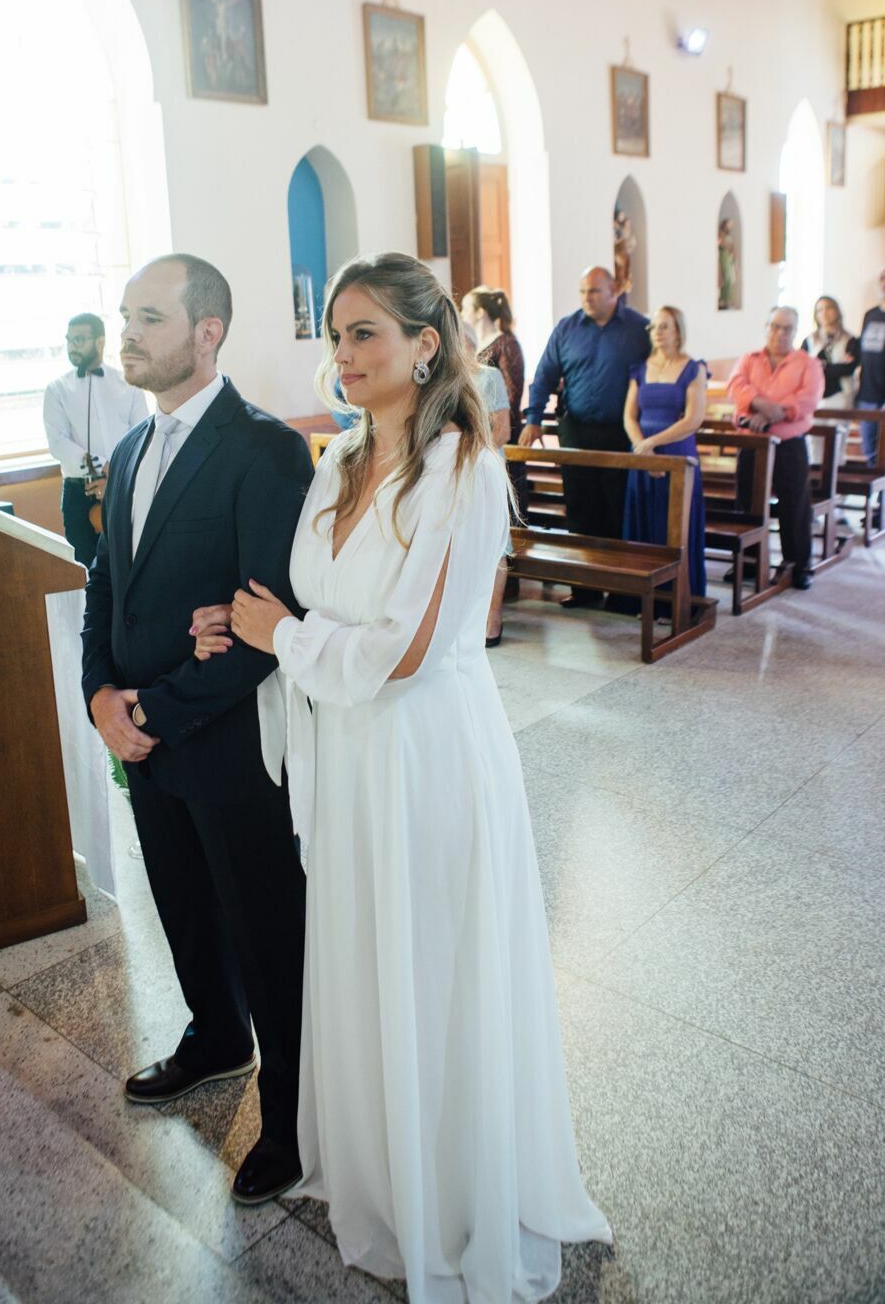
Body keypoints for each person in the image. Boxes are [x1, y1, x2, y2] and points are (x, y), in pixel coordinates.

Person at [196, 253, 611, 1300]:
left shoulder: (463, 469)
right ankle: (380, 1177)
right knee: (366, 954)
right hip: (345, 750)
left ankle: (452, 1193)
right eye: (333, 335)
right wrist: (244, 625)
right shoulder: (335, 459)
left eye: (364, 332)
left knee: (430, 964)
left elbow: (409, 649)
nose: (341, 354)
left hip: (424, 750)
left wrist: (282, 634)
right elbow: (305, 605)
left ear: (426, 345)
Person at [80, 253, 314, 1206]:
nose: (126, 332)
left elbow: (264, 620)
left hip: (222, 742)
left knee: (264, 932)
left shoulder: (263, 450)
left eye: (147, 317)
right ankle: (215, 1038)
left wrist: (155, 716)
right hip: (142, 736)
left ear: (206, 332)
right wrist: (100, 695)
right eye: (125, 314)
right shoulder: (134, 447)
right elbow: (106, 582)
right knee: (180, 904)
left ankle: (294, 1116)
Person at [521, 267, 651, 607]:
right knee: (580, 509)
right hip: (576, 429)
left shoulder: (638, 328)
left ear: (614, 291)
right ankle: (586, 588)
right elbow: (544, 374)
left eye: (593, 291)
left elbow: (657, 373)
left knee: (616, 510)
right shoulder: (567, 328)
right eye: (582, 292)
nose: (586, 299)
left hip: (620, 433)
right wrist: (533, 419)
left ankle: (623, 592)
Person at [727, 306, 825, 591]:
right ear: (767, 326)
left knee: (794, 506)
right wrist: (759, 403)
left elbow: (807, 400)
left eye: (788, 328)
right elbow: (736, 386)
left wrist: (771, 413)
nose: (780, 333)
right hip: (752, 443)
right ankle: (747, 563)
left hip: (788, 444)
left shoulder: (808, 363)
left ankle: (798, 566)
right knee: (747, 503)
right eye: (775, 326)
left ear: (796, 331)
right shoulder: (750, 358)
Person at [43, 312, 147, 566]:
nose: (72, 346)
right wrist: (102, 468)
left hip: (124, 485)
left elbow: (143, 434)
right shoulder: (57, 390)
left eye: (79, 339)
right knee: (84, 565)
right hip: (79, 490)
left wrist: (114, 473)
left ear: (100, 341)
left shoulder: (129, 383)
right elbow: (58, 442)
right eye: (69, 340)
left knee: (129, 560)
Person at [622, 305, 708, 599]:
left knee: (673, 527)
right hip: (643, 455)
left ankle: (678, 597)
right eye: (654, 327)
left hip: (677, 452)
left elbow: (692, 420)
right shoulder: (641, 368)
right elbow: (629, 416)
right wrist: (642, 447)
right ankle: (639, 599)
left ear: (678, 331)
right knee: (643, 523)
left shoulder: (693, 368)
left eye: (664, 326)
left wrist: (653, 442)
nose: (656, 332)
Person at [464, 319, 511, 646]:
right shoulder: (446, 382)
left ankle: (492, 621)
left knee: (495, 543)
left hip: (484, 467)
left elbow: (502, 430)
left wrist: (470, 454)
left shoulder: (489, 377)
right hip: (455, 472)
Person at [461, 285, 525, 445]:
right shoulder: (471, 344)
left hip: (500, 428)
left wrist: (495, 422)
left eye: (465, 309)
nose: (462, 314)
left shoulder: (507, 344)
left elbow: (512, 393)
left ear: (480, 312)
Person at [802, 297, 859, 409]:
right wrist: (831, 367)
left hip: (841, 396)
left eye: (828, 308)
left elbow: (848, 368)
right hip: (814, 396)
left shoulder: (850, 340)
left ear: (837, 311)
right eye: (820, 310)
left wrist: (820, 366)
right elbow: (803, 366)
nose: (824, 313)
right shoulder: (809, 340)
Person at [856, 268, 885, 465]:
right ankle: (875, 497)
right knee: (870, 453)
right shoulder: (870, 315)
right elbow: (862, 353)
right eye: (883, 279)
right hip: (868, 394)